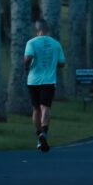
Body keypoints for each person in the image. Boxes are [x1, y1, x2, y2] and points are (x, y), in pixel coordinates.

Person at [24, 21, 66, 152]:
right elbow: (62, 63)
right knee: (45, 107)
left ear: (37, 30)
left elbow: (28, 58)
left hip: (33, 80)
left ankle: (38, 135)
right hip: (49, 80)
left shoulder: (31, 42)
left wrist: (27, 66)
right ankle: (44, 133)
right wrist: (52, 65)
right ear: (48, 30)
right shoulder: (56, 44)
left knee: (36, 108)